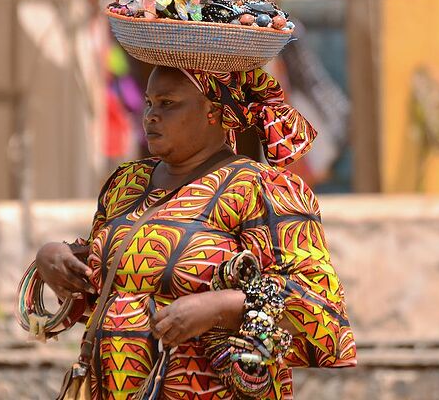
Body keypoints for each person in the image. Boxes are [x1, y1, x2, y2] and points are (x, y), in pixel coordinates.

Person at [36, 66, 356, 399]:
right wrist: (53, 260)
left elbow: (323, 315)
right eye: (148, 103)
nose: (150, 116)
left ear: (212, 112)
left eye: (167, 103)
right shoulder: (126, 184)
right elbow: (107, 286)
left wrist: (223, 307)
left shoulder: (260, 189)